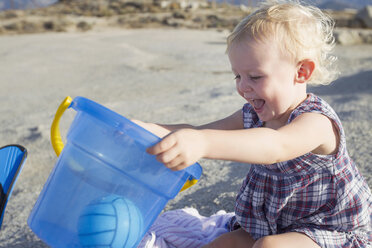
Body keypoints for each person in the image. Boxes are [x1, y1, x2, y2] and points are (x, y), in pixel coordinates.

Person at [134, 0, 372, 247]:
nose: (242, 87)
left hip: (329, 228)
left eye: (255, 76)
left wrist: (203, 144)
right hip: (275, 223)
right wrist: (147, 129)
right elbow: (201, 130)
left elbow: (275, 147)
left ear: (301, 72)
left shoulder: (316, 122)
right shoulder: (255, 115)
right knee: (222, 244)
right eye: (238, 75)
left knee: (269, 246)